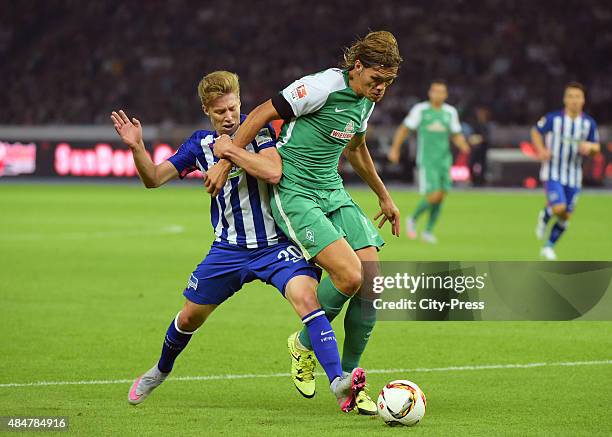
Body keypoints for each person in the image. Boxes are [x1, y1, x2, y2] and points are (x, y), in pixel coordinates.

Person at [111, 71, 366, 412]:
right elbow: (154, 179)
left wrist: (229, 153)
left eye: (233, 108)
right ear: (207, 111)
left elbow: (273, 171)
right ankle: (159, 371)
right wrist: (137, 148)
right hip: (228, 250)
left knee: (306, 298)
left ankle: (338, 382)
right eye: (220, 112)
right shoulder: (198, 145)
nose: (229, 117)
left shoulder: (260, 132)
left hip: (276, 246)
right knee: (188, 318)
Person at [208, 31, 402, 415]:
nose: (380, 89)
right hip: (295, 191)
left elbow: (356, 147)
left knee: (373, 283)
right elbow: (263, 112)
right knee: (349, 277)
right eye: (375, 80)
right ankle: (303, 344)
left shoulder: (364, 101)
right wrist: (225, 160)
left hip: (331, 190)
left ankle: (351, 382)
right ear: (357, 66)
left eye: (388, 83)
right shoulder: (320, 86)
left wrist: (383, 194)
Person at [388, 80, 470, 243]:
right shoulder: (421, 110)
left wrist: (463, 144)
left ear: (445, 95)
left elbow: (455, 133)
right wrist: (395, 149)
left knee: (441, 196)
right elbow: (404, 129)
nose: (438, 94)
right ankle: (413, 218)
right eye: (435, 91)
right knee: (434, 195)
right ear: (430, 93)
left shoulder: (450, 112)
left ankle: (428, 231)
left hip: (444, 160)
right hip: (427, 161)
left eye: (441, 91)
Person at [531, 82, 600, 260]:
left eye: (577, 97)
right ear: (564, 99)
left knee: (566, 215)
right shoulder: (553, 119)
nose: (574, 100)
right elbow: (536, 131)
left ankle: (548, 247)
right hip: (552, 172)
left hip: (574, 175)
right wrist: (541, 150)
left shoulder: (588, 124)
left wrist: (589, 148)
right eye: (570, 96)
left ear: (583, 100)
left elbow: (596, 147)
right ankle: (546, 215)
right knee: (559, 207)